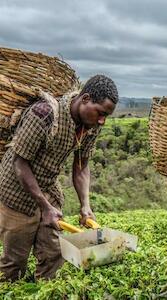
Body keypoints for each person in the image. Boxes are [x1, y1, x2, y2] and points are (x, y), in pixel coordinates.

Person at [0, 74, 118, 281]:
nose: (102, 121)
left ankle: (46, 289)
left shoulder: (90, 126)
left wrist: (85, 205)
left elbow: (81, 165)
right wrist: (45, 207)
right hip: (15, 191)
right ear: (86, 98)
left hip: (47, 186)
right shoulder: (44, 114)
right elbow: (20, 164)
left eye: (106, 116)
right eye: (100, 113)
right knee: (14, 264)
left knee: (54, 254)